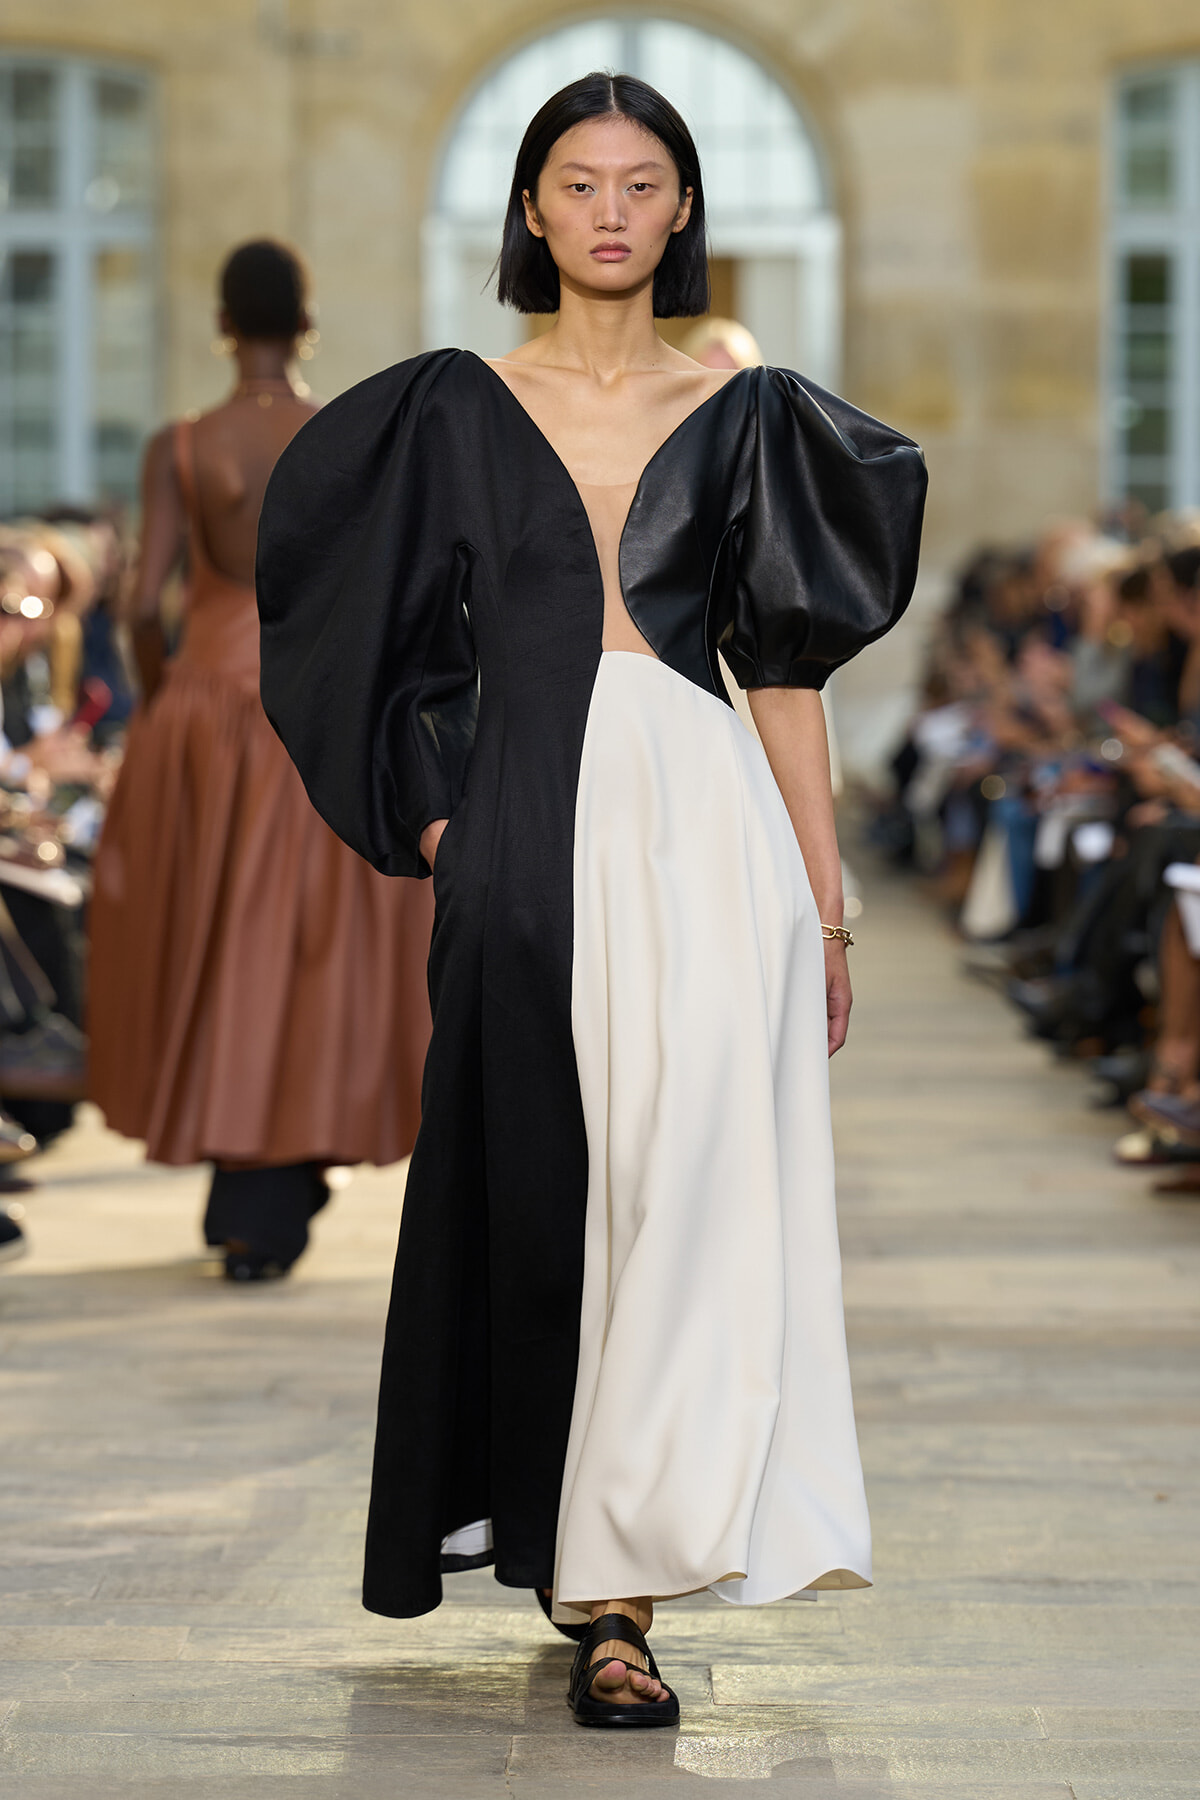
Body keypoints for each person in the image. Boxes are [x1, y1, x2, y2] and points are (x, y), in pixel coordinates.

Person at [258, 77, 926, 1725]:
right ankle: (599, 1582)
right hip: (527, 834)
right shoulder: (454, 405)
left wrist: (824, 905)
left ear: (683, 210)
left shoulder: (754, 402)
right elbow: (355, 628)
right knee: (566, 1186)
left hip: (711, 831)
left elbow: (781, 675)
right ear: (534, 211)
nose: (613, 210)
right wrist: (431, 818)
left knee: (697, 1191)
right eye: (580, 182)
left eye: (645, 182)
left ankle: (630, 1573)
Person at [88, 240, 434, 1281]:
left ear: (224, 323)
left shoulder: (184, 445)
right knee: (311, 945)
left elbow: (143, 598)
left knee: (206, 936)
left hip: (201, 705)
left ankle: (249, 1181)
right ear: (308, 318)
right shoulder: (344, 437)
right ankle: (280, 1175)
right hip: (314, 703)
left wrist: (166, 693)